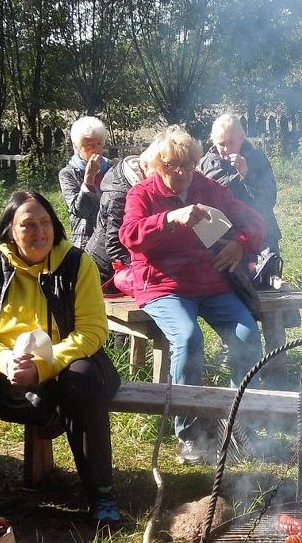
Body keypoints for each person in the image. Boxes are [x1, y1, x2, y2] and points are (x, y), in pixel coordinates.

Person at [0, 190, 125, 524]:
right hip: (4, 365)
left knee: (83, 379)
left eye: (45, 222)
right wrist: (5, 360)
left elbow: (92, 331)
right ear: (10, 230)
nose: (39, 232)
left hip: (63, 363)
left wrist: (43, 366)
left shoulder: (78, 264)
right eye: (29, 225)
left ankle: (100, 495)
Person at [121, 125, 266, 463]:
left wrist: (239, 246)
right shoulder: (142, 194)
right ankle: (190, 433)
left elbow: (255, 222)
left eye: (188, 165)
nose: (181, 172)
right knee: (188, 339)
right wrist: (170, 218)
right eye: (172, 165)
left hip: (210, 282)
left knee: (246, 334)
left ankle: (237, 421)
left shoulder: (210, 189)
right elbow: (129, 236)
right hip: (164, 284)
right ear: (158, 164)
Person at [200, 112, 282, 257]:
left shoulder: (257, 159)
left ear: (241, 139)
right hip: (221, 236)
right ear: (213, 141)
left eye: (231, 142)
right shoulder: (206, 164)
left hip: (259, 232)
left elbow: (269, 199)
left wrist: (246, 175)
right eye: (221, 144)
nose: (226, 149)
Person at [88, 149, 151, 288]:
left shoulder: (139, 183)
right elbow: (114, 245)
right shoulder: (119, 194)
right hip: (104, 272)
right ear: (146, 167)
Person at [58, 115, 112, 250]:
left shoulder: (112, 169)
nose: (96, 149)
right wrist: (89, 178)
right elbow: (80, 211)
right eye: (89, 145)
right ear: (77, 147)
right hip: (86, 240)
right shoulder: (68, 173)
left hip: (111, 236)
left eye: (99, 143)